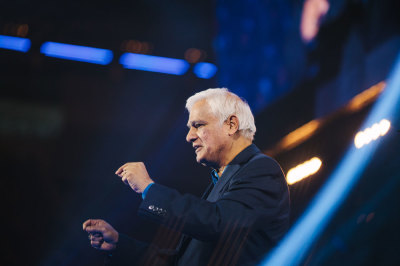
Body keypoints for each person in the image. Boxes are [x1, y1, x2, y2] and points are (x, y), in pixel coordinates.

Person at [83, 88, 290, 265]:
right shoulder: (220, 181)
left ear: (231, 125)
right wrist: (119, 243)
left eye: (198, 125)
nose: (189, 136)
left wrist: (148, 188)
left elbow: (217, 223)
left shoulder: (262, 169)